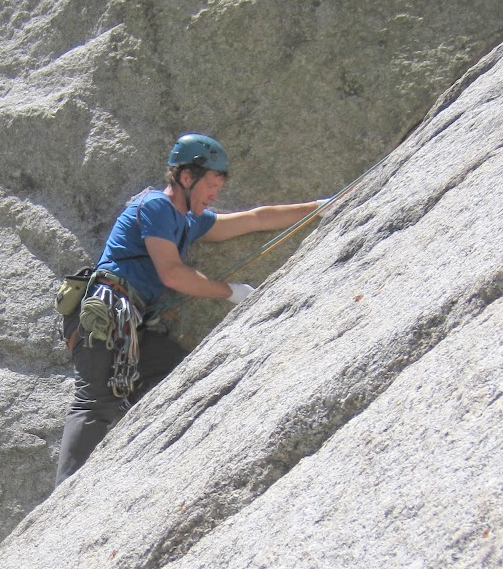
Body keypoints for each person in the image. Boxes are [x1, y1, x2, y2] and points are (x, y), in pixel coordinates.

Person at [54, 133, 327, 484]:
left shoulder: (189, 222)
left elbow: (256, 219)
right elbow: (172, 273)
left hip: (130, 328)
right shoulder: (155, 207)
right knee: (95, 402)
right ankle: (64, 498)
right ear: (186, 178)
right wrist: (229, 292)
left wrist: (321, 206)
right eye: (211, 185)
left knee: (177, 373)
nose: (215, 194)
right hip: (104, 314)